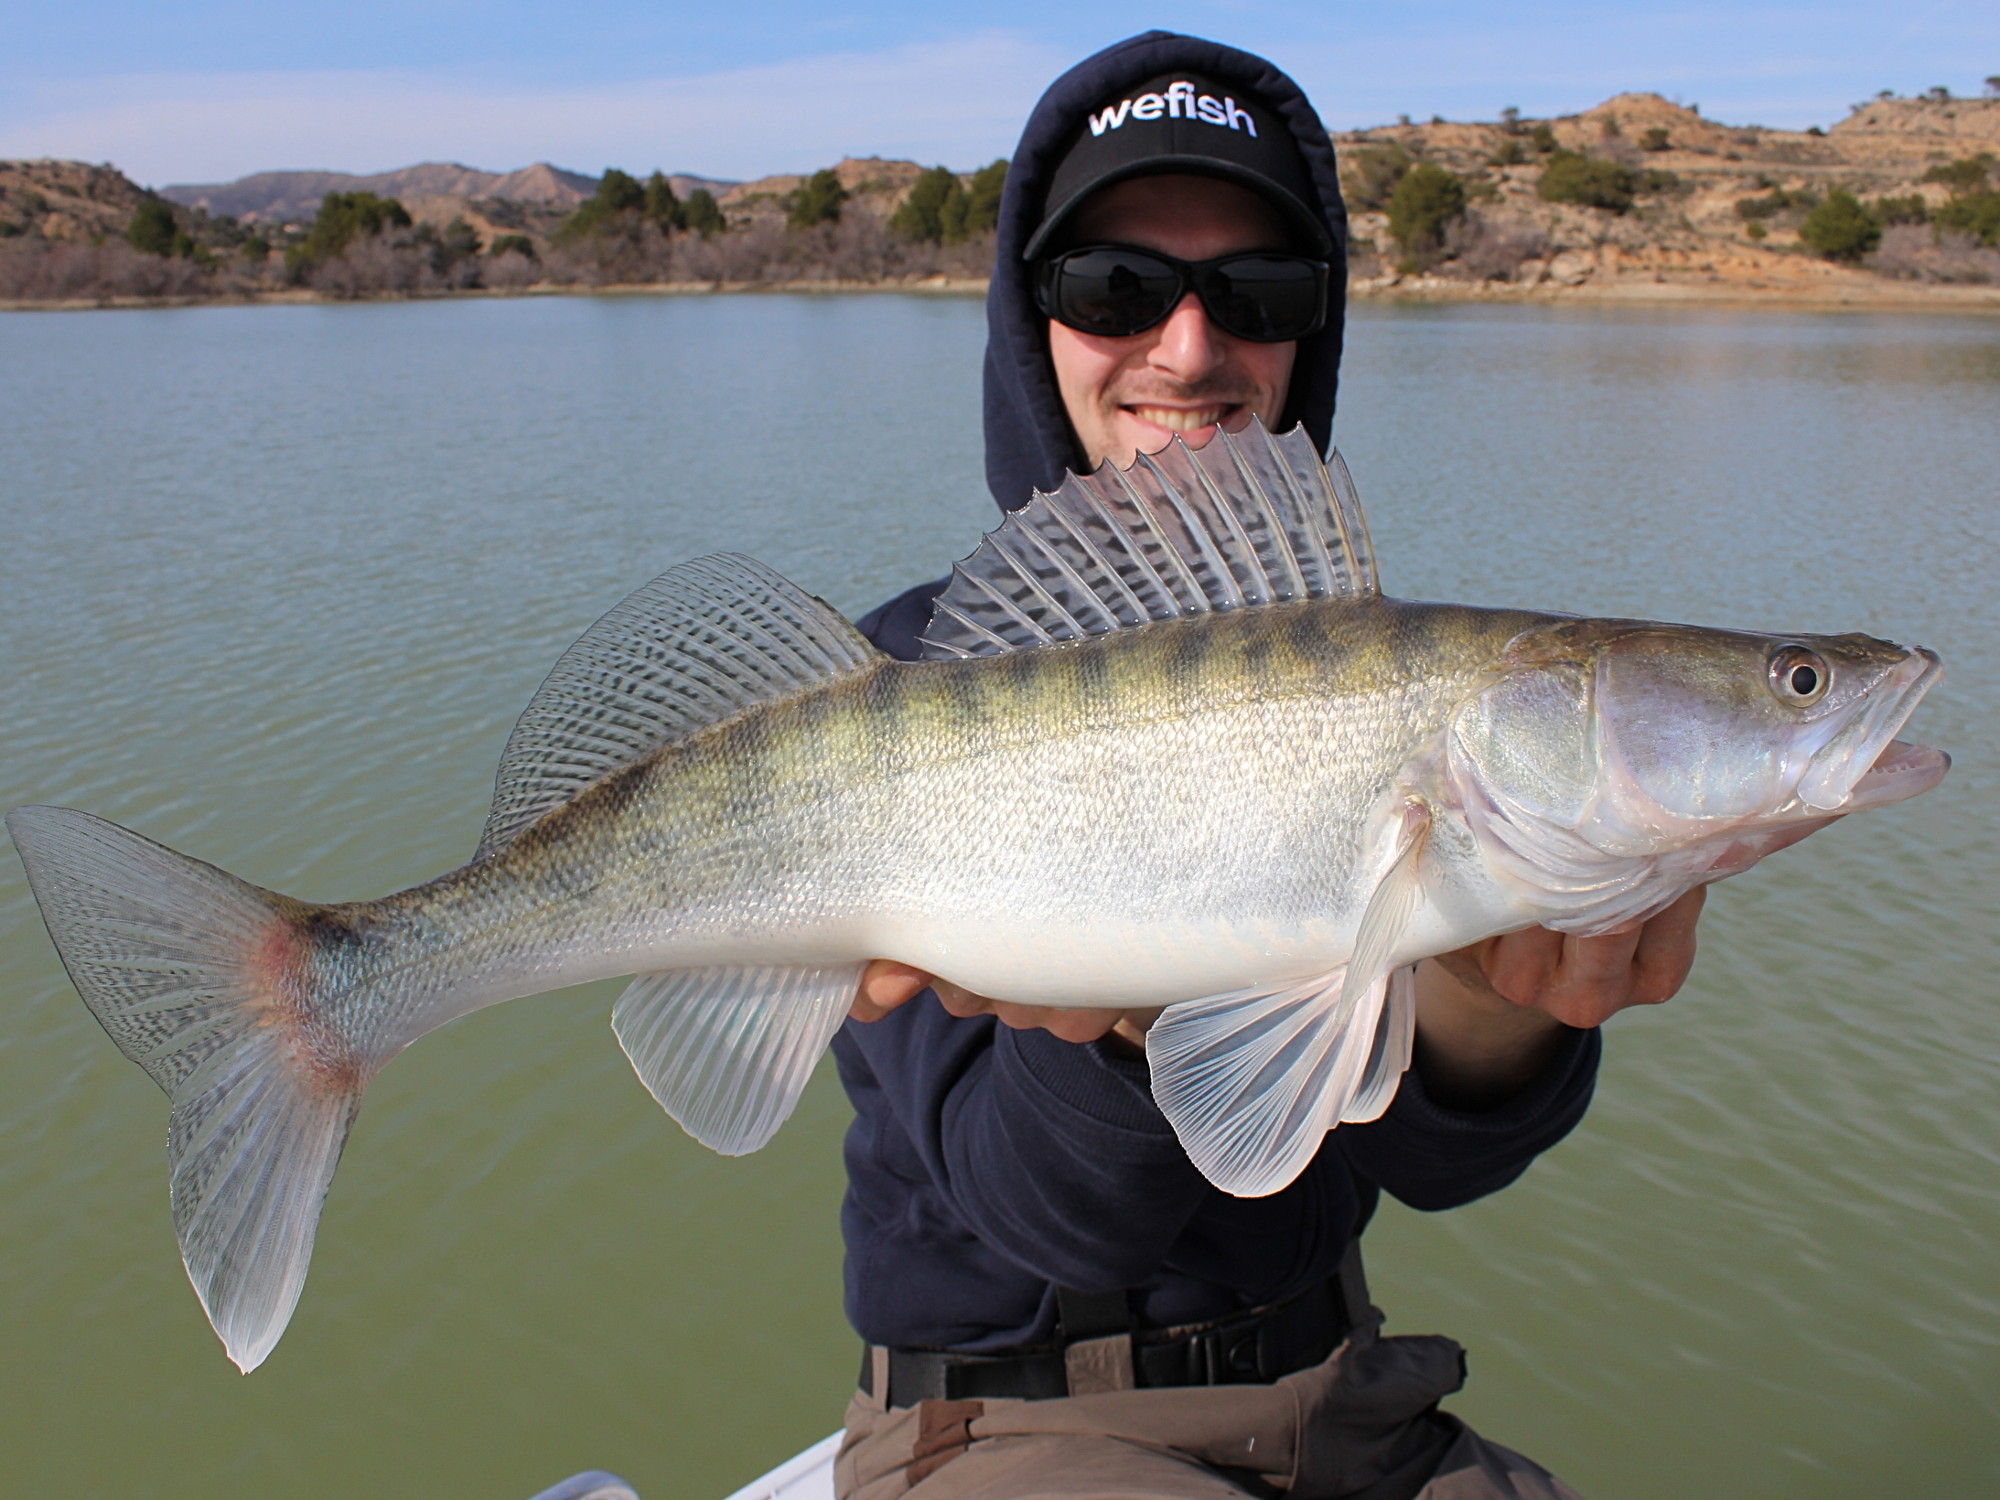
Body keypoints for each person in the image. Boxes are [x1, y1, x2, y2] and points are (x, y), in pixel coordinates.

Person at [829, 32, 1704, 1500]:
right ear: (1026, 325)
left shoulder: (1379, 679)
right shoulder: (894, 692)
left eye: (1259, 292)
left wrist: (1498, 1011)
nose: (1188, 349)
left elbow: (1433, 1161)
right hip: (1007, 1430)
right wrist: (1122, 1030)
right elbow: (1045, 1217)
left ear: (1317, 333)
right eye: (1114, 287)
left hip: (1350, 1393)